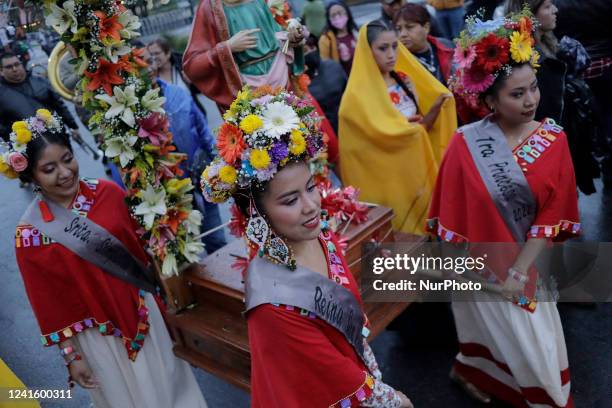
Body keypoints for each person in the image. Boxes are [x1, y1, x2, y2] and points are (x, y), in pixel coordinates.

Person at [200, 86, 413, 408]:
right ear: (259, 212)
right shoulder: (272, 302)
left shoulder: (318, 235)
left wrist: (373, 375)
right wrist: (392, 400)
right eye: (290, 200)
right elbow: (333, 376)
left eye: (311, 188)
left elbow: (354, 323)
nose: (311, 206)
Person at [5, 111, 208, 408]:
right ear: (31, 176)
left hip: (143, 312)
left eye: (67, 159)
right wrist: (71, 356)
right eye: (49, 168)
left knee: (171, 386)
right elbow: (48, 302)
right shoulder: (31, 235)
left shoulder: (108, 193)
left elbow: (142, 254)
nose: (64, 173)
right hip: (96, 336)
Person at [433, 12, 579, 407]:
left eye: (532, 88)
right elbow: (449, 210)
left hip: (524, 268)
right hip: (477, 269)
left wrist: (517, 272)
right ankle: (469, 371)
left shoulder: (554, 140)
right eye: (517, 94)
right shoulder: (465, 142)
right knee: (480, 329)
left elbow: (552, 215)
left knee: (537, 349)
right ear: (489, 100)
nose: (531, 99)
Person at [339, 20, 456, 234]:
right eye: (383, 48)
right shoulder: (355, 99)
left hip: (417, 175)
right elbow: (361, 152)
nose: (392, 54)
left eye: (395, 46)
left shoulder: (404, 80)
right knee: (405, 242)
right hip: (388, 183)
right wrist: (406, 132)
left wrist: (437, 107)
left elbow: (420, 129)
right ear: (367, 51)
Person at [505, 0, 600, 194]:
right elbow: (544, 111)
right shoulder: (525, 57)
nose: (555, 10)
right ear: (531, 15)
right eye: (548, 7)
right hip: (542, 149)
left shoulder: (548, 42)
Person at [183, 0, 305, 111]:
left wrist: (292, 37)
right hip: (246, 87)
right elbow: (192, 64)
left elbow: (278, 32)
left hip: (282, 76)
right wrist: (227, 47)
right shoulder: (209, 7)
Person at [555, 0, 612, 186]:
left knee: (575, 125)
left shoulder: (557, 4)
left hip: (573, 70)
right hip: (605, 65)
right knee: (607, 119)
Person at [0, 52, 79, 141]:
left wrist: (72, 126)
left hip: (57, 136)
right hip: (29, 145)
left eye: (17, 64)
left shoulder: (40, 81)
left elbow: (59, 105)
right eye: (9, 67)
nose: (14, 69)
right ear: (1, 71)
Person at [394, 3, 454, 86]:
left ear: (426, 28)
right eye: (398, 29)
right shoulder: (395, 60)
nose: (402, 34)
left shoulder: (446, 46)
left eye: (409, 27)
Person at [147, 38, 209, 118]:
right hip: (170, 124)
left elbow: (201, 90)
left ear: (168, 53)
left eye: (157, 53)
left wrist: (192, 82)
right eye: (151, 54)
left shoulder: (182, 66)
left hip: (194, 117)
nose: (154, 57)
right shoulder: (152, 76)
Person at [304, 34, 347, 135]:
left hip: (347, 123)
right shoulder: (298, 82)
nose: (311, 52)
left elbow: (349, 92)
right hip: (325, 132)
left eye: (313, 47)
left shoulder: (332, 66)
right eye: (305, 51)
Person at [318, 1, 359, 74]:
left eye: (340, 13)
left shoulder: (356, 32)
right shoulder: (326, 39)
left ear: (347, 13)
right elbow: (326, 66)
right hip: (344, 82)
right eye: (333, 15)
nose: (337, 17)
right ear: (329, 19)